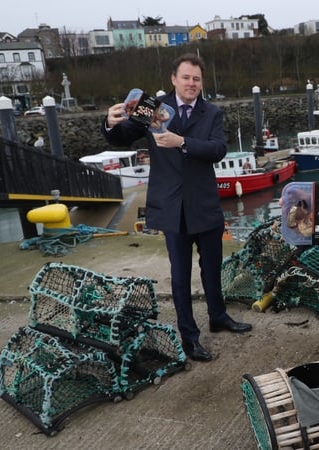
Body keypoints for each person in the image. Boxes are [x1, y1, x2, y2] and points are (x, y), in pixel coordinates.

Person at [101, 53, 252, 363]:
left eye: (196, 79)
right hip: (171, 206)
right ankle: (189, 337)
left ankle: (218, 316)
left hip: (205, 203)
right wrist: (109, 123)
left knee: (212, 269)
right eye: (186, 77)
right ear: (173, 79)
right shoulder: (154, 108)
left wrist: (181, 141)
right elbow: (123, 136)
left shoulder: (211, 113)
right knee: (180, 276)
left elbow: (218, 150)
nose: (191, 84)